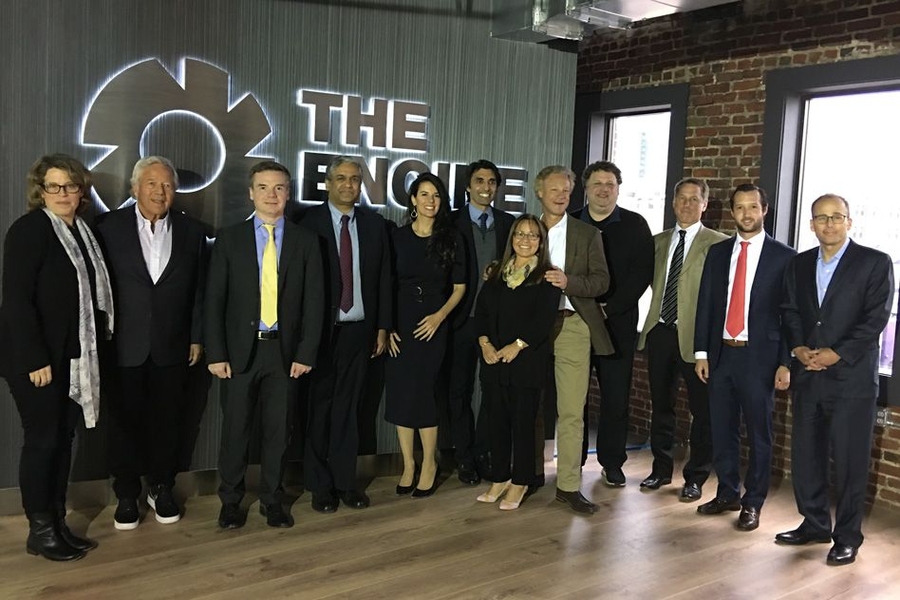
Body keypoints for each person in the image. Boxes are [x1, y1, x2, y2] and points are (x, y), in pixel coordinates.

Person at [0, 154, 114, 561]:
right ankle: (40, 529)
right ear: (41, 191)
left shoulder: (84, 232)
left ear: (81, 191)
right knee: (43, 442)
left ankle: (57, 522)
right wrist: (35, 359)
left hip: (74, 359)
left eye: (71, 186)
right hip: (37, 362)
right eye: (55, 186)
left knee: (62, 441)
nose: (64, 193)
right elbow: (16, 301)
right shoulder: (29, 231)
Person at [205, 160, 323, 529]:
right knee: (235, 432)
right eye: (264, 188)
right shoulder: (229, 238)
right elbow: (214, 300)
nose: (272, 195)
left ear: (289, 192)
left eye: (279, 188)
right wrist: (217, 351)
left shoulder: (306, 241)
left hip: (285, 354)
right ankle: (230, 501)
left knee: (279, 431)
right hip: (240, 352)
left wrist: (306, 352)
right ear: (250, 192)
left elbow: (315, 302)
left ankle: (272, 499)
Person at [777, 194, 893, 566]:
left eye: (836, 217)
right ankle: (813, 524)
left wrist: (836, 352)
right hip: (808, 374)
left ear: (849, 221)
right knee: (806, 456)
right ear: (811, 224)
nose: (829, 224)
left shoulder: (874, 262)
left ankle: (847, 537)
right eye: (821, 218)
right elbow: (790, 310)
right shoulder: (799, 264)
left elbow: (876, 319)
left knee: (849, 462)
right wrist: (797, 348)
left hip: (851, 380)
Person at [95, 156, 206, 530]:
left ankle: (162, 486)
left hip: (172, 347)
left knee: (168, 422)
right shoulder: (107, 227)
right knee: (123, 423)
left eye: (168, 185)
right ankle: (126, 493)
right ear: (134, 189)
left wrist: (195, 336)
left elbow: (198, 292)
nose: (160, 192)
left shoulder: (192, 232)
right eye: (152, 184)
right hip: (123, 346)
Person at [693, 184, 795, 531]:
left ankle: (753, 502)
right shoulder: (718, 253)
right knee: (722, 430)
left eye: (753, 207)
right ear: (732, 212)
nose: (746, 214)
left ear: (764, 210)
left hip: (759, 359)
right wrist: (702, 352)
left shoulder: (785, 257)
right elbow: (705, 304)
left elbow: (790, 316)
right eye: (740, 208)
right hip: (721, 355)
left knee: (759, 433)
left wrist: (784, 362)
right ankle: (727, 492)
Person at [298, 156, 392, 513]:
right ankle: (319, 485)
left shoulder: (374, 225)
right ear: (328, 183)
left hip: (359, 331)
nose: (348, 185)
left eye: (354, 179)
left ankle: (344, 482)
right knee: (319, 408)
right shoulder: (307, 224)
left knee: (349, 409)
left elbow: (383, 277)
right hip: (320, 333)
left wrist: (383, 326)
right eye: (341, 178)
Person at [637, 178, 727, 502]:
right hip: (661, 331)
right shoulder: (658, 241)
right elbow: (649, 282)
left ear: (705, 204)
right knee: (661, 405)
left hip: (697, 338)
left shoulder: (719, 243)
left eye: (694, 199)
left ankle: (696, 477)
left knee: (702, 410)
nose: (687, 205)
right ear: (673, 203)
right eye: (682, 199)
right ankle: (660, 469)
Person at [571, 161, 653, 487]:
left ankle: (612, 462)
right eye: (597, 184)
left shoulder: (635, 224)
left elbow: (642, 275)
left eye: (610, 184)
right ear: (586, 188)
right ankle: (572, 462)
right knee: (574, 397)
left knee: (615, 398)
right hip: (576, 322)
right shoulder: (571, 221)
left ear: (618, 188)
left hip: (617, 324)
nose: (604, 190)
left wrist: (608, 308)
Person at [536, 165, 612, 514]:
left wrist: (570, 283)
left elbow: (601, 282)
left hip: (573, 326)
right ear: (540, 192)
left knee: (570, 412)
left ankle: (568, 486)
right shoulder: (523, 230)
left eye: (566, 190)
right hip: (530, 329)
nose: (561, 196)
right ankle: (527, 475)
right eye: (554, 190)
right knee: (529, 407)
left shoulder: (586, 234)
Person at [385, 172, 465, 498]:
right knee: (401, 393)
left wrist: (439, 317)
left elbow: (460, 288)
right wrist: (387, 326)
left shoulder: (452, 238)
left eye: (436, 196)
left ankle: (429, 463)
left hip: (434, 323)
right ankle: (408, 465)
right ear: (413, 200)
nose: (430, 201)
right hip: (401, 324)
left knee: (425, 392)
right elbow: (386, 285)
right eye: (424, 194)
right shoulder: (397, 237)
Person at [474, 214, 560, 510]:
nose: (525, 240)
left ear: (541, 242)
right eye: (520, 234)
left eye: (532, 235)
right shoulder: (497, 273)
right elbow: (482, 312)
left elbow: (543, 321)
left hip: (527, 362)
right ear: (512, 239)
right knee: (496, 423)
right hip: (494, 360)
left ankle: (521, 481)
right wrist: (485, 343)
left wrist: (518, 345)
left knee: (523, 425)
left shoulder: (547, 276)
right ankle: (500, 478)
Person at [448, 159, 515, 485]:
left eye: (491, 181)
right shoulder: (450, 222)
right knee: (457, 391)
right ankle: (463, 458)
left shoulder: (509, 223)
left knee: (493, 393)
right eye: (479, 181)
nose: (485, 187)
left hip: (496, 324)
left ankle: (483, 452)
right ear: (467, 185)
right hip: (460, 322)